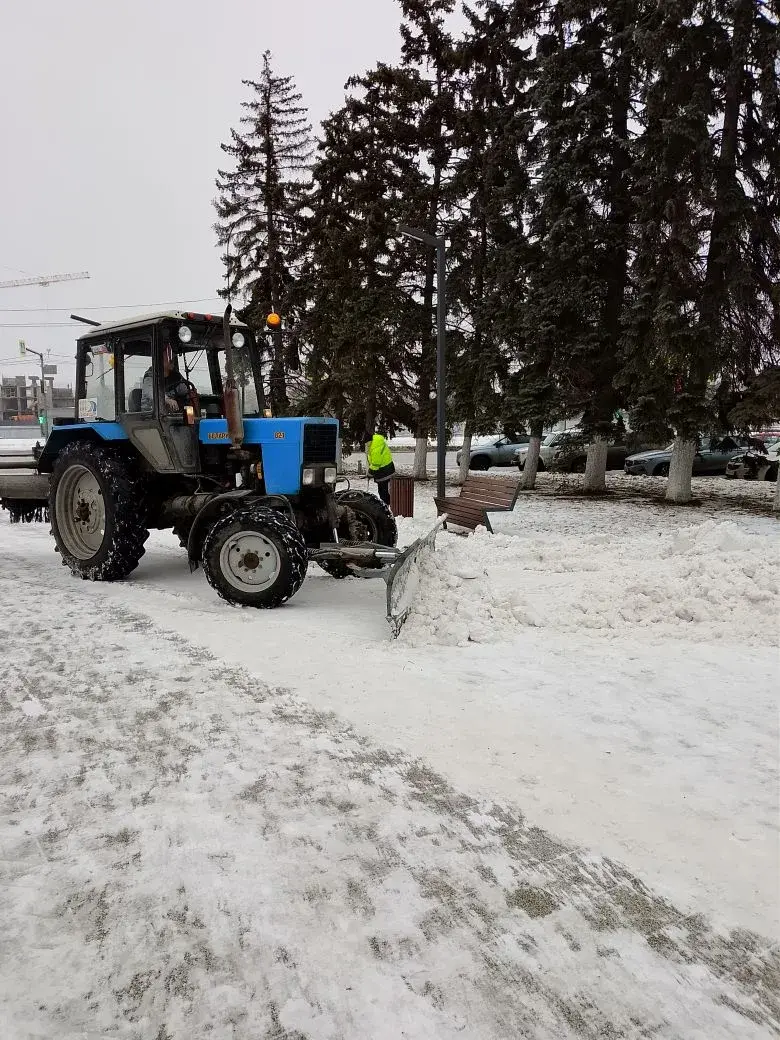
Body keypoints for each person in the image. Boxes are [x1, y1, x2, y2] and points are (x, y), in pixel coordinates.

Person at [141, 338, 195, 413]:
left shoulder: (175, 376)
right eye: (168, 355)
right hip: (150, 417)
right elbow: (151, 392)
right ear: (159, 359)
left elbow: (183, 390)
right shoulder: (150, 376)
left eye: (172, 354)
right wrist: (166, 399)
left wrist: (192, 394)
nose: (172, 357)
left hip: (170, 416)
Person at [366, 431, 395, 506]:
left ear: (369, 440)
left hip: (385, 471)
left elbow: (376, 464)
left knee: (383, 492)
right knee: (382, 491)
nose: (366, 445)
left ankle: (388, 506)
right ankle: (387, 505)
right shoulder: (374, 444)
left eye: (366, 443)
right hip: (383, 471)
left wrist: (370, 473)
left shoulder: (376, 447)